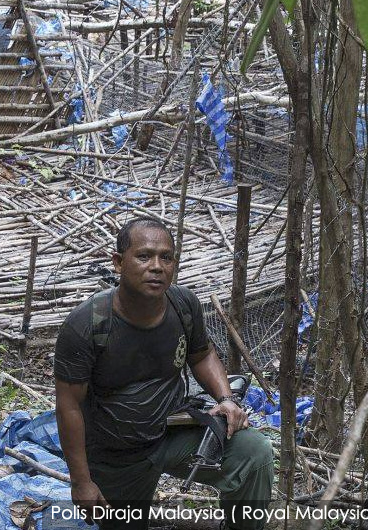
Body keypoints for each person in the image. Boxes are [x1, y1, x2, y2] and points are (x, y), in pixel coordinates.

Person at [53, 218, 273, 530]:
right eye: (144, 256)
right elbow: (69, 406)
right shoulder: (87, 325)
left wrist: (225, 398)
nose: (157, 266)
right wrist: (81, 482)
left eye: (166, 257)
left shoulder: (183, 305)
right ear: (118, 263)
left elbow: (203, 354)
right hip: (117, 453)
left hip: (174, 432)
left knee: (254, 453)